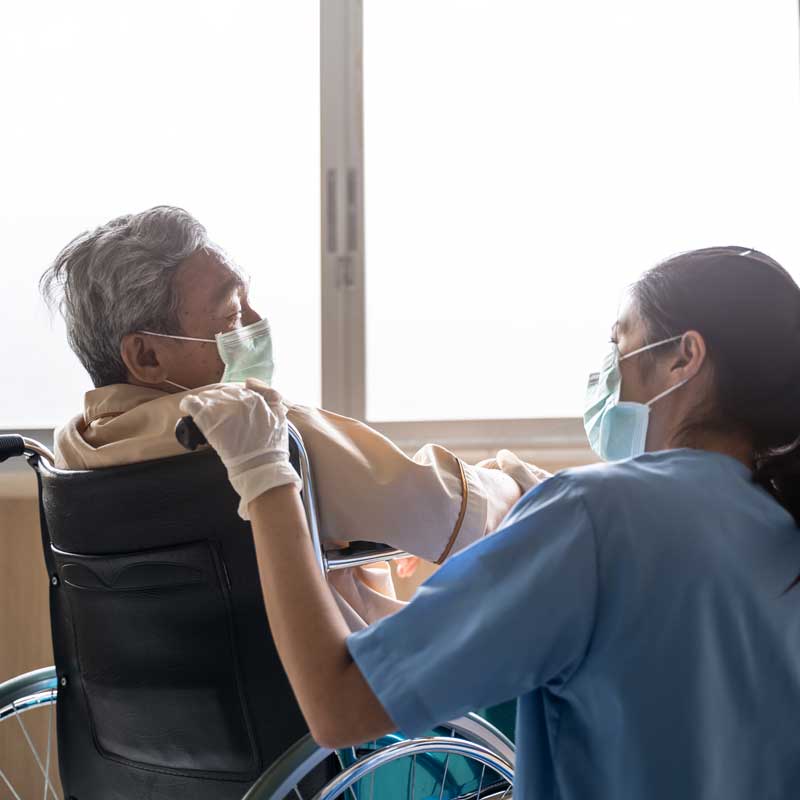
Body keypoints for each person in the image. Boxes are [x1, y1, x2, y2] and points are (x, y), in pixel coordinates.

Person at [183, 246, 800, 799]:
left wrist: (266, 474)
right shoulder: (774, 517)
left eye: (620, 344)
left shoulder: (596, 515)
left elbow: (339, 706)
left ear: (684, 358)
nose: (609, 372)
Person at [41, 205, 537, 629]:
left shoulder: (73, 453)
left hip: (157, 727)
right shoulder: (262, 436)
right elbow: (448, 514)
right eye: (233, 315)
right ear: (147, 357)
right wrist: (510, 478)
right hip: (339, 717)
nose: (257, 324)